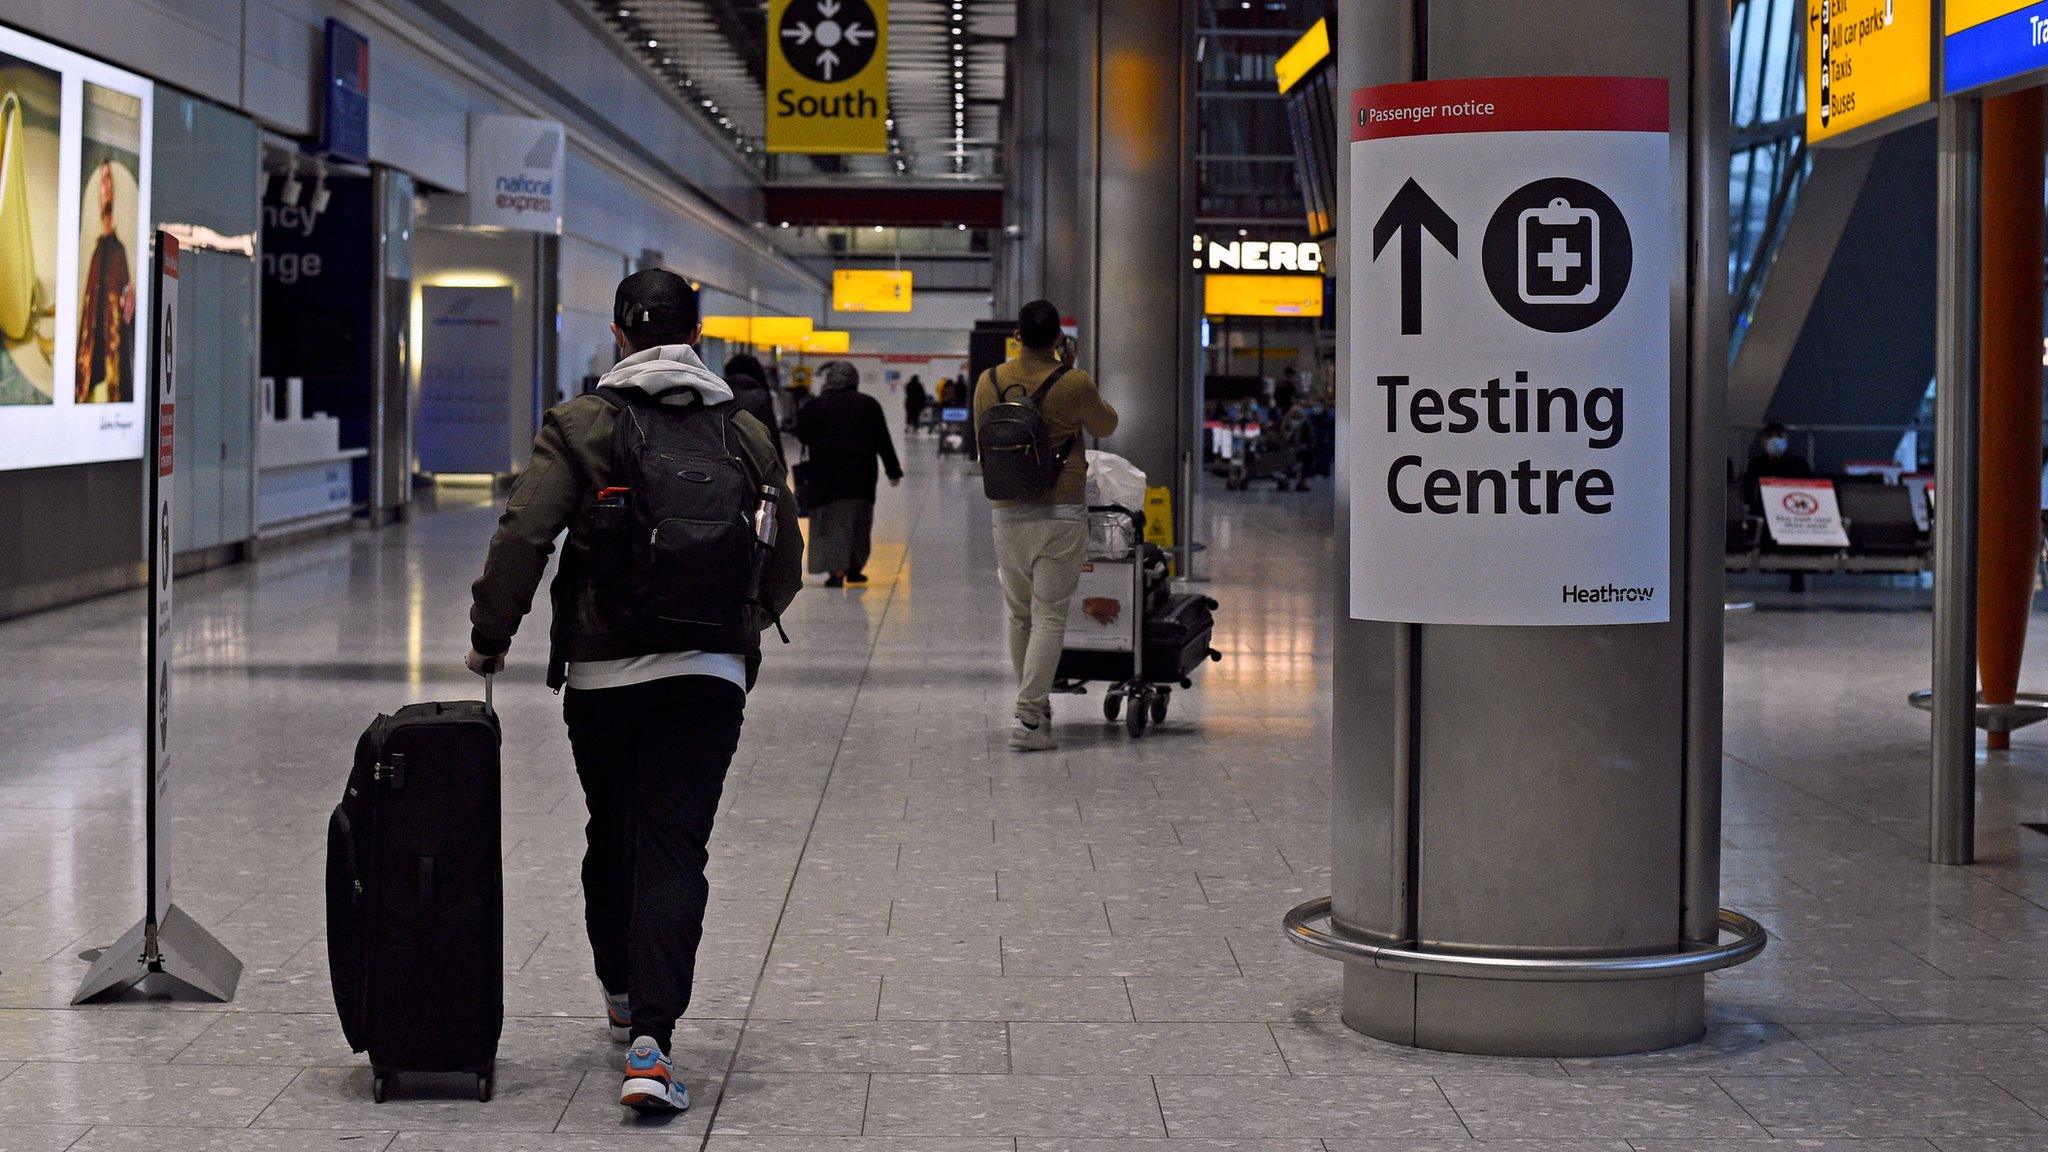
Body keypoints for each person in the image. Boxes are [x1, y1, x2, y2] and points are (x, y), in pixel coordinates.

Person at [463, 269, 802, 1115]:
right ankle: (653, 1043)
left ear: (618, 334)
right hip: (710, 677)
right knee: (674, 847)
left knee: (611, 830)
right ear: (699, 333)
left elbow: (524, 535)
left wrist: (490, 636)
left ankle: (620, 990)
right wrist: (734, 625)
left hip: (604, 674)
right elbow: (788, 561)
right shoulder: (747, 433)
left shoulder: (583, 425)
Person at [973, 299, 1119, 752]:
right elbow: (1107, 425)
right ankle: (1030, 718)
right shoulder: (1073, 381)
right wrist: (1070, 376)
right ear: (1058, 338)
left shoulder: (990, 380)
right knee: (1050, 615)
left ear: (1016, 336)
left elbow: (984, 432)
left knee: (1020, 615)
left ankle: (1034, 709)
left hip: (1007, 510)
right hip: (1060, 510)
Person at [795, 360, 903, 587]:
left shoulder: (817, 405)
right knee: (860, 522)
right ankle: (854, 567)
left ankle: (837, 570)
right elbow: (883, 440)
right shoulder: (869, 404)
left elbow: (801, 433)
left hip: (825, 477)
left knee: (831, 524)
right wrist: (893, 470)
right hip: (861, 476)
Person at [76, 161, 134, 404]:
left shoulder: (119, 250)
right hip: (93, 360)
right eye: (102, 180)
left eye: (109, 180)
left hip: (114, 353)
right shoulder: (98, 249)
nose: (106, 187)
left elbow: (127, 309)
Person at [721, 353, 785, 466]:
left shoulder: (717, 392)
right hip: (751, 463)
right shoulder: (760, 396)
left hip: (720, 461)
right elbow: (770, 434)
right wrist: (780, 465)